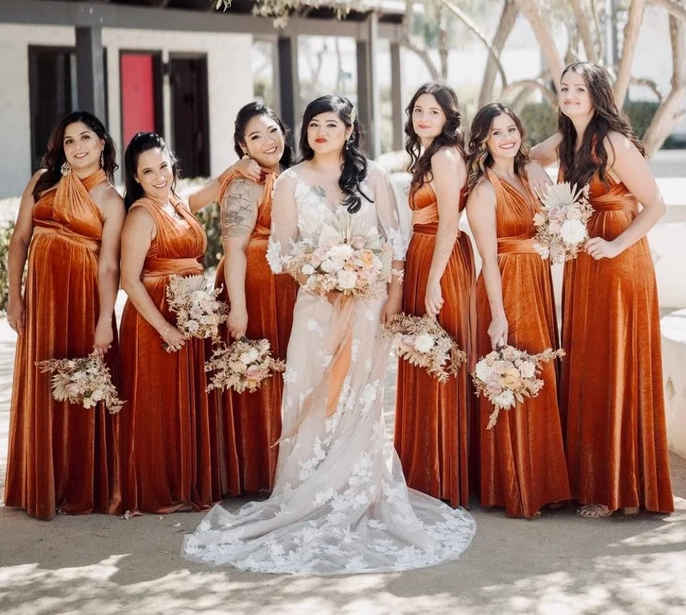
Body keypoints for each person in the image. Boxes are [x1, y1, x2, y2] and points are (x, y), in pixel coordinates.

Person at [181, 95, 476, 575]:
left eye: (332, 124)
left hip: (369, 306)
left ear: (349, 130)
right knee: (311, 393)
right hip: (317, 306)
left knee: (360, 398)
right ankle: (305, 490)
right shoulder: (291, 182)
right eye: (314, 124)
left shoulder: (374, 176)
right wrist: (325, 272)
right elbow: (284, 250)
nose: (321, 132)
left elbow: (394, 242)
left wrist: (389, 293)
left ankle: (360, 487)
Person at [532, 62, 674, 517]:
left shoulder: (612, 142)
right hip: (583, 261)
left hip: (617, 259)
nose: (570, 94)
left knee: (613, 361)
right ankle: (589, 477)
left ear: (597, 94)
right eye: (564, 88)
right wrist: (565, 134)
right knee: (588, 362)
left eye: (579, 89)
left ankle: (614, 489)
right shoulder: (571, 141)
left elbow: (655, 205)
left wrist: (614, 247)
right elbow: (527, 157)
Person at [118, 131, 259, 514]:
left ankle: (187, 481)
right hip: (155, 320)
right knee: (158, 402)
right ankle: (159, 488)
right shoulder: (140, 215)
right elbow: (129, 280)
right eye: (149, 172)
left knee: (186, 399)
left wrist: (242, 166)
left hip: (190, 312)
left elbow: (214, 188)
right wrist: (165, 328)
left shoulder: (178, 203)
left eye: (163, 165)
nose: (160, 176)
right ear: (136, 178)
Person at [5, 111, 125, 520]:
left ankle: (78, 484)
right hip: (40, 301)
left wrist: (105, 318)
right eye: (69, 140)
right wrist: (14, 297)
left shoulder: (111, 200)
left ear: (102, 144)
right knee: (42, 382)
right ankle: (38, 481)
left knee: (80, 383)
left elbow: (109, 266)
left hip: (83, 300)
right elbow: (20, 240)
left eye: (86, 137)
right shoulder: (42, 182)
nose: (77, 147)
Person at [466, 103, 570, 518]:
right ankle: (516, 484)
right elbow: (488, 259)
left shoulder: (529, 173)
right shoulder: (483, 190)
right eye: (497, 133)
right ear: (484, 142)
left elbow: (558, 204)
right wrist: (498, 314)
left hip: (537, 281)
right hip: (504, 285)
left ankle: (546, 479)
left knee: (539, 373)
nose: (507, 138)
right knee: (513, 374)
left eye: (512, 129)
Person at [394, 83, 474, 506]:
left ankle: (441, 474)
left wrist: (432, 280)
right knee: (425, 355)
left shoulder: (444, 157)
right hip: (423, 255)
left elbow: (447, 222)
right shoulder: (428, 157)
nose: (424, 117)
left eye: (434, 112)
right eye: (418, 110)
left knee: (439, 354)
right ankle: (427, 468)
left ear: (448, 119)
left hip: (440, 259)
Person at [214, 101, 295, 495]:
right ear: (243, 146)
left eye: (272, 130)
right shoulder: (246, 182)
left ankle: (288, 465)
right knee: (257, 374)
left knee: (286, 375)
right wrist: (239, 307)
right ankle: (256, 471)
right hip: (254, 288)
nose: (268, 141)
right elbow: (234, 249)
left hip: (289, 288)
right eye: (256, 136)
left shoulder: (290, 176)